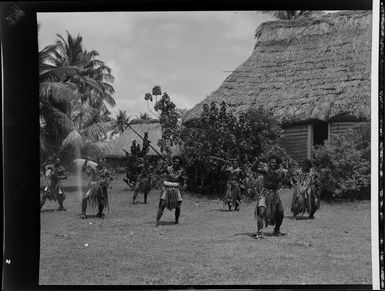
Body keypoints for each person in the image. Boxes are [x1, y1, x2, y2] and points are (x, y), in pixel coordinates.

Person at [252, 154, 288, 239]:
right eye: (270, 162)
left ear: (278, 163)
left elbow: (289, 176)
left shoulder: (282, 171)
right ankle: (259, 232)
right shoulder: (265, 170)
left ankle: (276, 230)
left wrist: (290, 170)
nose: (271, 164)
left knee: (280, 212)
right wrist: (258, 160)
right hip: (265, 193)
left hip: (275, 194)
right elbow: (253, 169)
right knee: (261, 211)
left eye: (274, 163)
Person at [155, 156, 187, 226]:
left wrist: (184, 184)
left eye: (177, 162)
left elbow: (182, 179)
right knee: (162, 205)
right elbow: (158, 171)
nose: (176, 163)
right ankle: (157, 221)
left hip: (176, 189)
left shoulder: (181, 171)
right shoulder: (168, 168)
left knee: (178, 206)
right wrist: (162, 165)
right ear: (173, 162)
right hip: (167, 188)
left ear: (179, 163)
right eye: (175, 162)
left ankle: (176, 221)